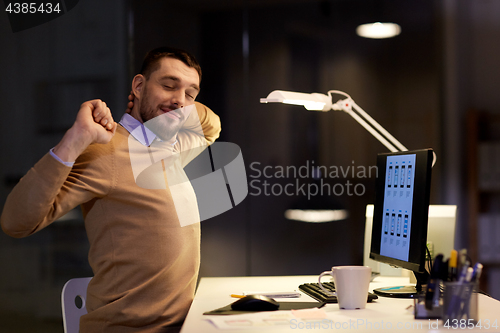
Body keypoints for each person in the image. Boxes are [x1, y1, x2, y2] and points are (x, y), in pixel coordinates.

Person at [0, 47, 221, 332]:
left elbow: (211, 125)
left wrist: (175, 106)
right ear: (139, 86)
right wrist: (75, 139)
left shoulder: (173, 147)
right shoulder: (105, 151)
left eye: (191, 93)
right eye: (168, 85)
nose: (180, 99)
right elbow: (15, 222)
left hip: (180, 326)